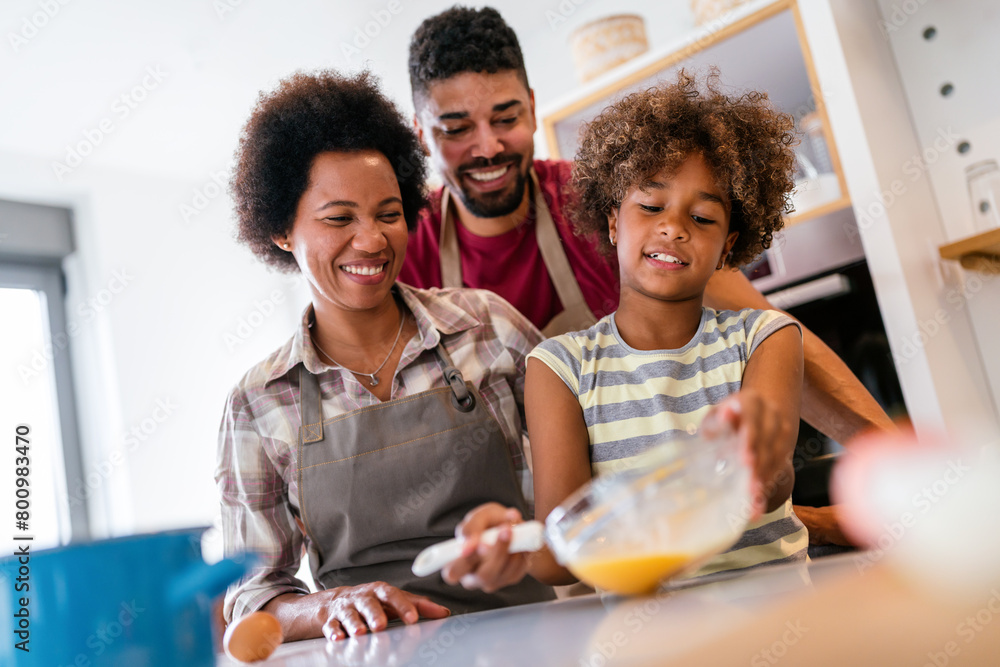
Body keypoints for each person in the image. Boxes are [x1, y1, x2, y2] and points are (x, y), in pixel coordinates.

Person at [399, 6, 894, 546]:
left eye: (506, 118)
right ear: (421, 133)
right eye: (456, 129)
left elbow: (768, 332)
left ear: (534, 109)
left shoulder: (600, 207)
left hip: (660, 524)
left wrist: (900, 467)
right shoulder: (408, 250)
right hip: (524, 543)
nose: (488, 146)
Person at [216, 69, 554, 642]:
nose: (372, 239)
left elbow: (591, 484)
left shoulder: (488, 327)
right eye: (339, 218)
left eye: (389, 214)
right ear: (281, 230)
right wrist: (326, 607)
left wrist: (532, 538)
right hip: (372, 654)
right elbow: (253, 593)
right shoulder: (258, 401)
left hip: (527, 638)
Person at [442, 72, 808, 592]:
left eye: (703, 218)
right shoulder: (558, 367)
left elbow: (770, 486)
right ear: (613, 221)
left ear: (729, 246)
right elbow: (560, 550)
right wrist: (513, 547)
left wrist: (753, 455)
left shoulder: (766, 337)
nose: (673, 227)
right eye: (651, 206)